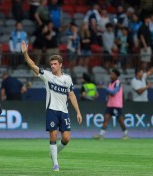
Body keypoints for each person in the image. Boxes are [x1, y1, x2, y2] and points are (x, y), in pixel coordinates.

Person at [21, 41, 82, 171]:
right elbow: (32, 65)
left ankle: (54, 153)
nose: (53, 66)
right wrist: (25, 54)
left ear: (60, 65)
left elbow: (71, 95)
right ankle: (55, 163)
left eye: (55, 64)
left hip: (64, 111)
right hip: (52, 110)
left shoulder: (67, 78)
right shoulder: (47, 76)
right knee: (53, 136)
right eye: (51, 64)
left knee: (66, 138)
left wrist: (78, 112)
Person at [93, 68, 128, 140]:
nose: (110, 75)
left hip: (116, 105)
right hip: (110, 104)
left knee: (120, 120)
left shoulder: (118, 82)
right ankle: (101, 135)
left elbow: (114, 92)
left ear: (116, 75)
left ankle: (126, 134)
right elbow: (109, 93)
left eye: (112, 74)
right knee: (106, 119)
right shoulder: (110, 83)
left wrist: (104, 87)